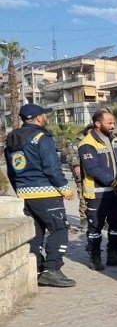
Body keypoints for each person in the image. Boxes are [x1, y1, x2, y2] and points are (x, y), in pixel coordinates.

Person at [4, 104, 75, 287]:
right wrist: (64, 188)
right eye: (44, 115)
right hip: (47, 192)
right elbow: (52, 167)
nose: (46, 118)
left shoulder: (12, 139)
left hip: (25, 194)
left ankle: (36, 268)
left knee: (36, 234)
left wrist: (20, 189)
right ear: (37, 118)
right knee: (59, 229)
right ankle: (52, 269)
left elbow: (12, 172)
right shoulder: (42, 137)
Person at [78, 109, 117, 270]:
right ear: (97, 124)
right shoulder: (87, 143)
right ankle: (94, 256)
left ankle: (114, 254)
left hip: (116, 193)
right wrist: (116, 184)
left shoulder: (113, 140)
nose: (113, 125)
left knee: (116, 225)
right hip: (98, 194)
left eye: (114, 122)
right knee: (96, 227)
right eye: (109, 123)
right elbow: (93, 169)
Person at [62, 124, 93, 229]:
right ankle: (84, 218)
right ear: (86, 132)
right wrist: (76, 166)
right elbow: (72, 156)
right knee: (83, 195)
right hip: (82, 174)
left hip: (95, 174)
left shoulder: (97, 141)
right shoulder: (77, 142)